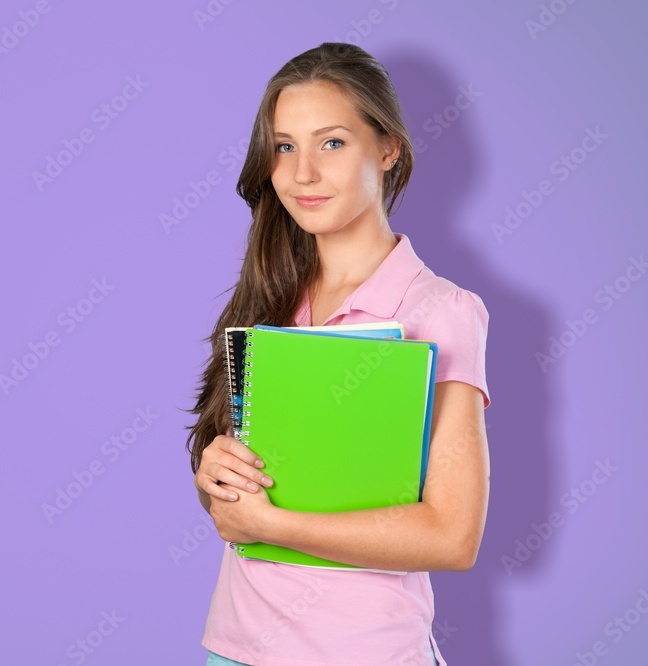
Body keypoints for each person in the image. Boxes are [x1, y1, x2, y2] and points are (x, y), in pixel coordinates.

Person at [183, 42, 491, 666]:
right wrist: (216, 477)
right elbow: (243, 496)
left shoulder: (440, 313)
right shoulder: (268, 299)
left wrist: (275, 527)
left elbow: (452, 537)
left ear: (388, 147)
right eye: (284, 147)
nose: (302, 174)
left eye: (331, 143)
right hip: (235, 649)